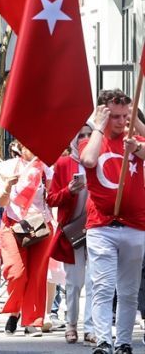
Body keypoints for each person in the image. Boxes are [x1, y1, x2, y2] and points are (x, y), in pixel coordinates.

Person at [79, 89, 145, 354]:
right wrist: (97, 126)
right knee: (103, 287)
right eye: (115, 116)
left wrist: (137, 142)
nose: (120, 122)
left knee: (128, 291)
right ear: (103, 115)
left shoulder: (135, 139)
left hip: (135, 225)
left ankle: (124, 342)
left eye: (125, 116)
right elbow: (89, 160)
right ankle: (104, 341)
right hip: (102, 226)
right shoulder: (91, 140)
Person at [0, 142, 53, 336]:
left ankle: (32, 321)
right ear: (20, 147)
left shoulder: (47, 169)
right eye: (28, 145)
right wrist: (8, 185)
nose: (34, 149)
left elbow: (52, 198)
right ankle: (14, 311)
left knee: (37, 275)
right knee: (17, 273)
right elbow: (1, 201)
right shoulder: (7, 167)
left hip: (40, 226)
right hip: (13, 224)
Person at [46, 124, 94, 345]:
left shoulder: (101, 160)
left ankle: (92, 328)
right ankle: (71, 324)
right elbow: (52, 198)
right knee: (74, 282)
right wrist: (69, 191)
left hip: (98, 229)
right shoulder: (64, 163)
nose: (85, 138)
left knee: (96, 281)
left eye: (89, 134)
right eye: (81, 135)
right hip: (73, 231)